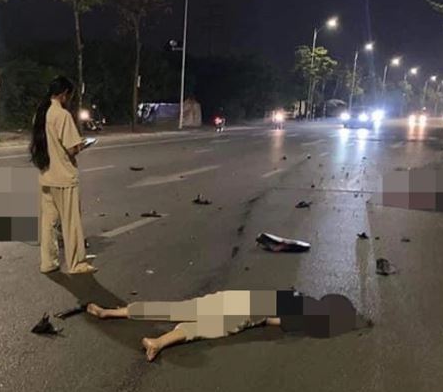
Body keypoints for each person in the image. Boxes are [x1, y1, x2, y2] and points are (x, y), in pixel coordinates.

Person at [86, 290, 363, 362]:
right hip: (242, 314)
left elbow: (269, 309)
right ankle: (154, 341)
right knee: (195, 326)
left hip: (239, 303)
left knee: (179, 312)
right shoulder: (302, 314)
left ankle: (113, 314)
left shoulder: (299, 300)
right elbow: (271, 319)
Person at [30, 76, 96, 275]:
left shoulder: (41, 114)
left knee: (48, 223)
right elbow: (72, 148)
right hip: (64, 177)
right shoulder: (62, 115)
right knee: (71, 222)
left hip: (46, 174)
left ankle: (48, 262)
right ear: (65, 94)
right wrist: (82, 144)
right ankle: (76, 264)